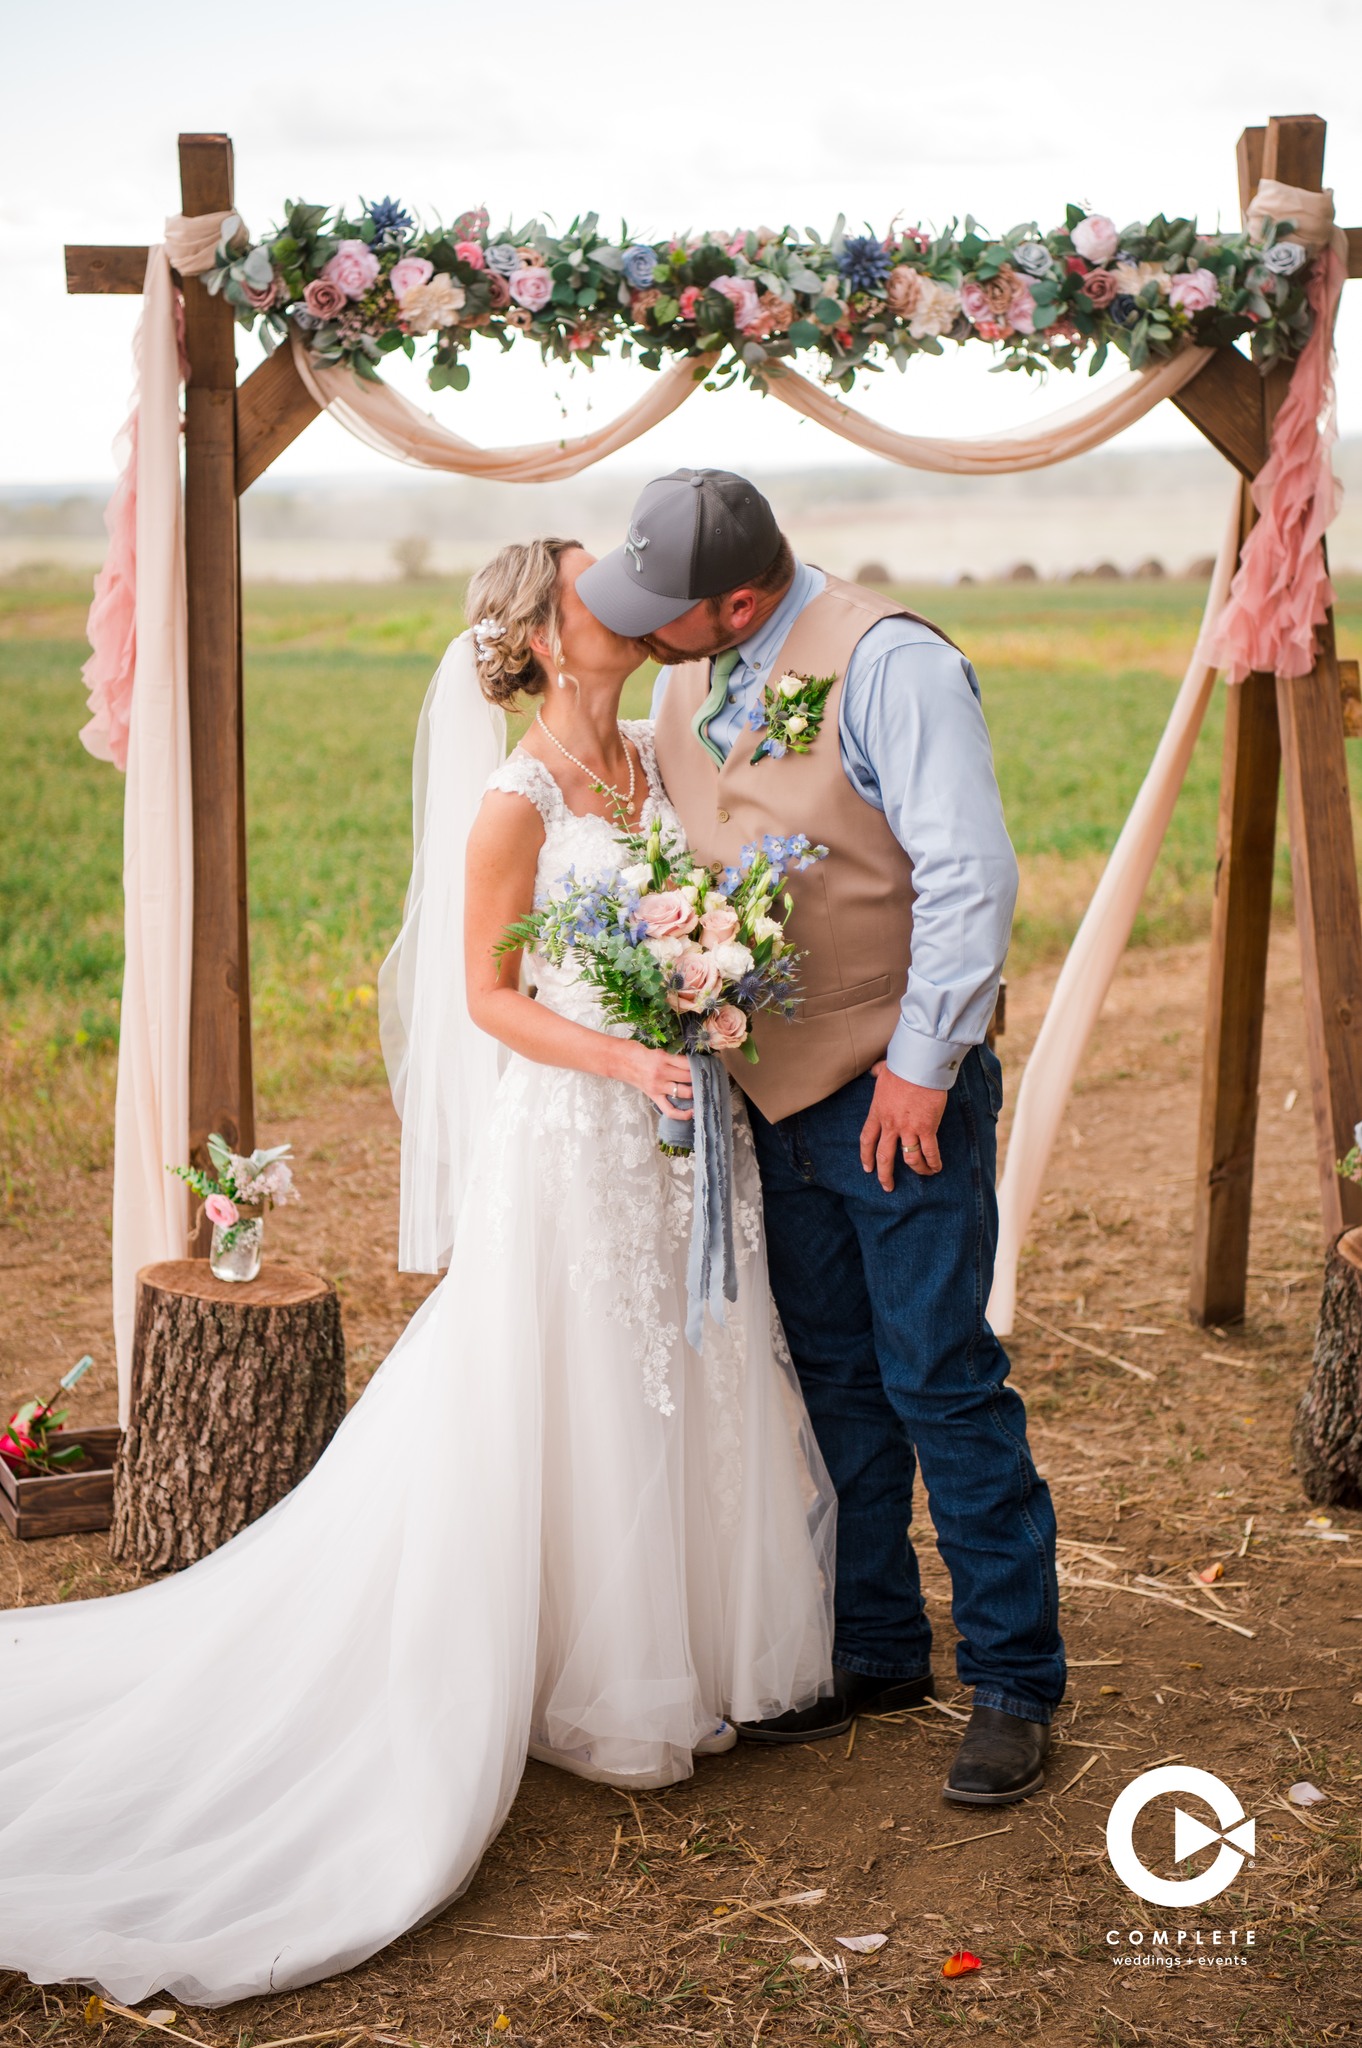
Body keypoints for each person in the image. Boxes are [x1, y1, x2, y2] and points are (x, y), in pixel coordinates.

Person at [0, 538, 836, 2007]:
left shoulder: (654, 760)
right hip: (574, 1136)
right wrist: (631, 1049)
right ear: (537, 635)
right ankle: (566, 1675)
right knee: (560, 1383)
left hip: (678, 1137)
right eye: (594, 590)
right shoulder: (513, 800)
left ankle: (677, 1656)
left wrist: (714, 985)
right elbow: (484, 997)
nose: (627, 604)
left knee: (680, 1368)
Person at [578, 470, 1065, 1806]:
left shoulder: (889, 664)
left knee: (939, 1378)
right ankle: (874, 1651)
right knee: (835, 1383)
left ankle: (1015, 1680)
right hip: (765, 1098)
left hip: (888, 1090)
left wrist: (921, 1067)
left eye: (662, 612)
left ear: (738, 598)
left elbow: (968, 869)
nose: (644, 635)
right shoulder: (692, 672)